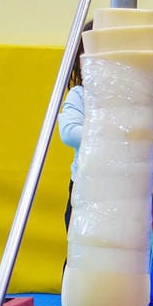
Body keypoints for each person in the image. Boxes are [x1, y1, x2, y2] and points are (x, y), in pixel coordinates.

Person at [58, 21, 92, 233]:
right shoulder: (80, 94)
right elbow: (69, 132)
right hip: (84, 188)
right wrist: (109, 132)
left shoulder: (127, 98)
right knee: (79, 254)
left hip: (119, 189)